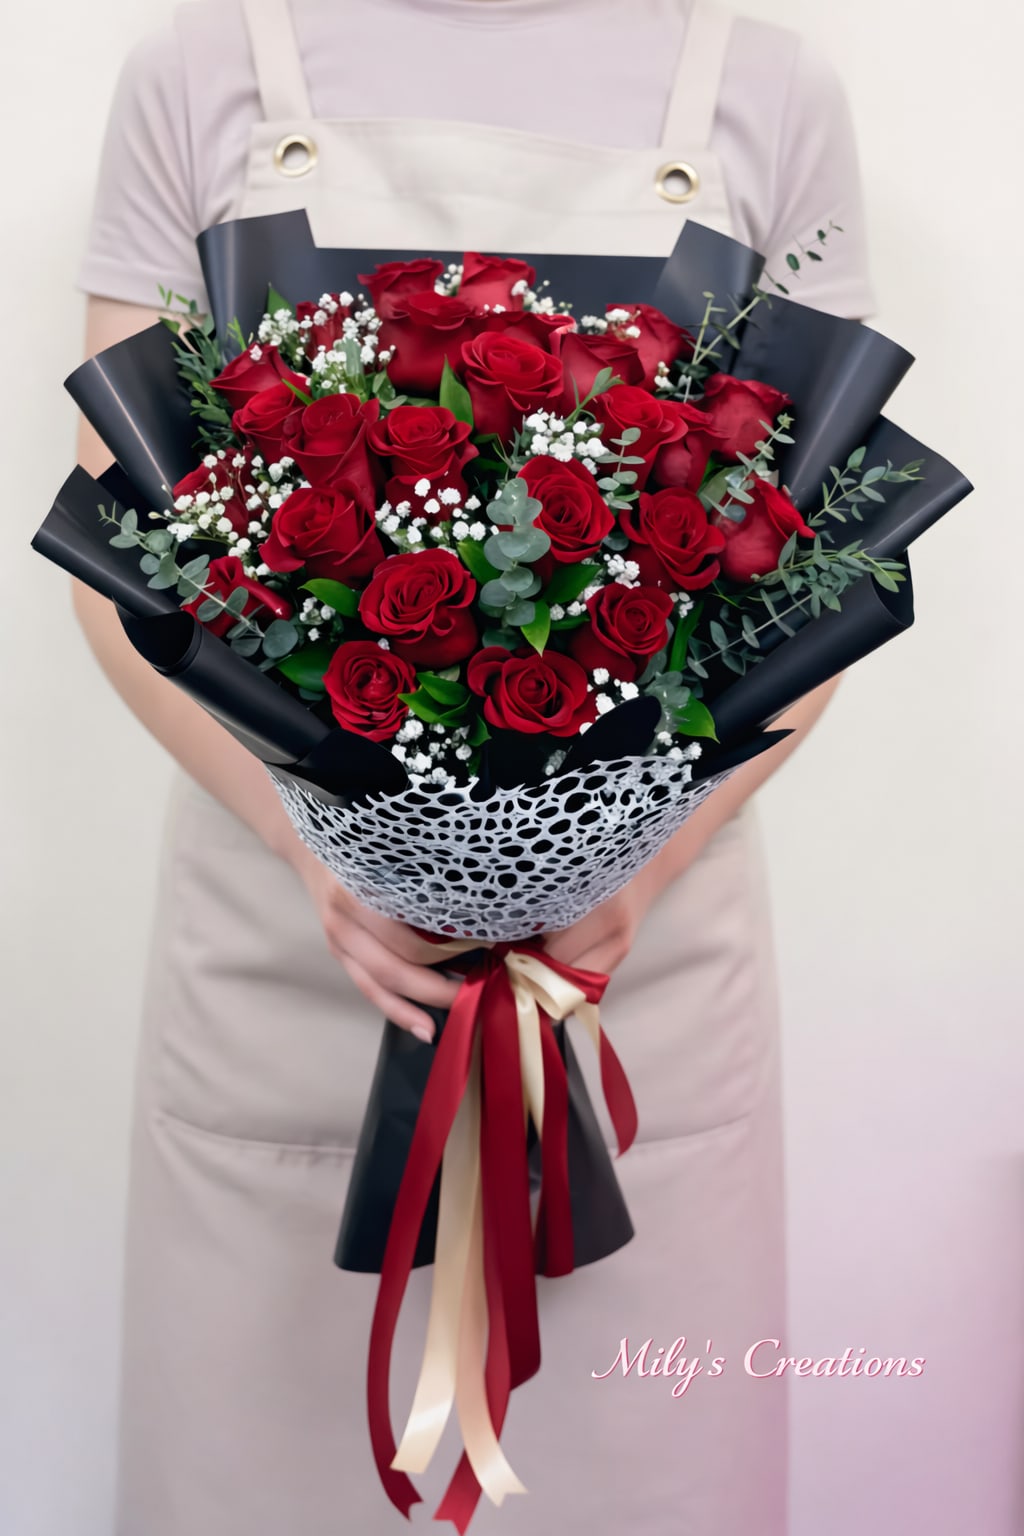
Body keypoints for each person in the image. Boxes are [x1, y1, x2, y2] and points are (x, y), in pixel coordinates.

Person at [73, 1, 875, 1532]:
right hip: (285, 966)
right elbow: (121, 570)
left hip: (639, 969)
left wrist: (649, 860)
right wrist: (328, 859)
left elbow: (819, 576)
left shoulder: (768, 81)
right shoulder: (199, 70)